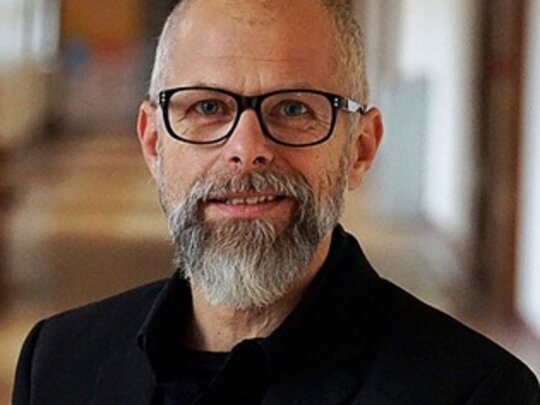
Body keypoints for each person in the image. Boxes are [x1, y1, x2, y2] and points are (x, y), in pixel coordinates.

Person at [13, 0, 540, 404]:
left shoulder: (477, 393)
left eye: (293, 108)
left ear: (360, 149)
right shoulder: (56, 363)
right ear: (154, 144)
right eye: (208, 107)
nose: (247, 150)